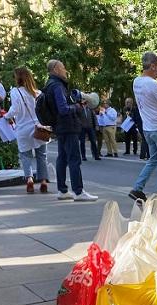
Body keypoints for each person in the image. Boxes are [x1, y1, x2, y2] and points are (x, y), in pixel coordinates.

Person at [44, 59, 97, 201]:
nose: (65, 70)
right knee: (74, 159)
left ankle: (62, 190)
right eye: (62, 67)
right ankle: (78, 192)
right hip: (68, 126)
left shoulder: (49, 84)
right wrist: (78, 107)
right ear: (55, 69)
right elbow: (63, 109)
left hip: (59, 127)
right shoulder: (57, 86)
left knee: (62, 158)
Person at [129, 52, 157, 202]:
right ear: (153, 66)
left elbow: (152, 93)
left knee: (153, 160)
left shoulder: (137, 81)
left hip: (148, 129)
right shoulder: (152, 84)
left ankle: (137, 188)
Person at [3, 67, 50, 193]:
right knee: (42, 156)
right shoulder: (38, 92)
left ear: (17, 79)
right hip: (39, 128)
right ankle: (44, 181)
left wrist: (6, 116)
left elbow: (15, 109)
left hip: (23, 128)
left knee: (25, 155)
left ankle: (29, 180)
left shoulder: (15, 92)